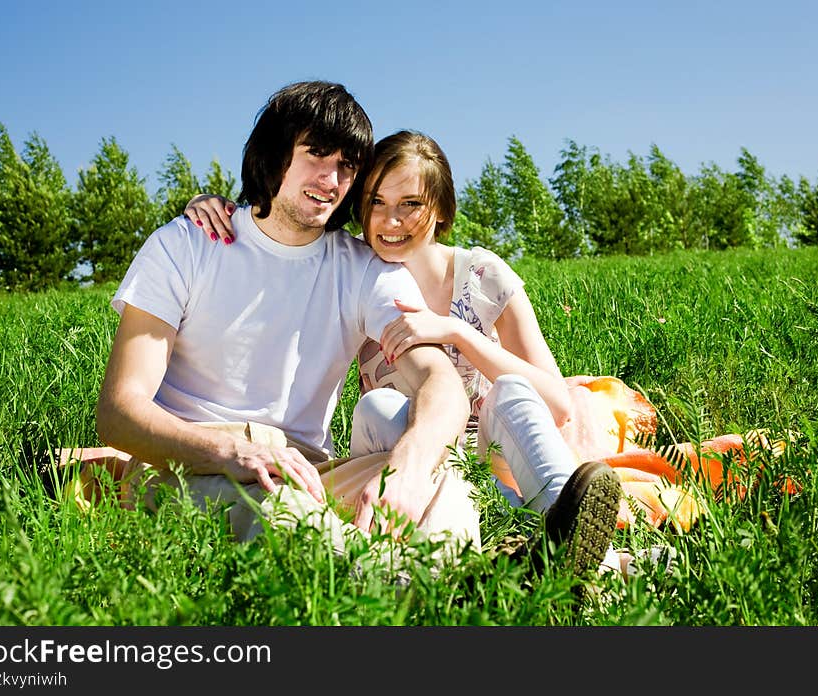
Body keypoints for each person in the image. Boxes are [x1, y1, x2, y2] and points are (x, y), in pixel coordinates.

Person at [78, 82, 619, 581]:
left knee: (436, 479)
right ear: (274, 152)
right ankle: (457, 591)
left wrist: (407, 466)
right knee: (279, 508)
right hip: (188, 465)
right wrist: (230, 452)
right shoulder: (185, 245)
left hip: (310, 471)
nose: (331, 180)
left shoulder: (362, 269)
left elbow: (440, 383)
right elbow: (120, 412)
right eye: (316, 153)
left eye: (347, 166)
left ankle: (503, 578)